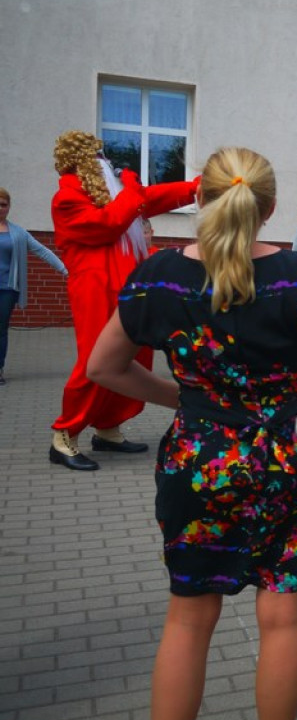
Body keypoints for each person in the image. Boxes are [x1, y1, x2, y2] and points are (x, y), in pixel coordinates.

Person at [86, 147, 297, 720]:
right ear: (269, 209)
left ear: (200, 198)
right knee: (282, 620)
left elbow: (104, 366)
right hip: (288, 462)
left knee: (187, 620)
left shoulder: (158, 277)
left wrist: (185, 399)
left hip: (196, 461)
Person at [48, 130, 199, 471]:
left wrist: (194, 188)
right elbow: (110, 223)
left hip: (124, 285)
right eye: (100, 156)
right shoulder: (68, 199)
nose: (108, 162)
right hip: (95, 289)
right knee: (96, 360)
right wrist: (131, 187)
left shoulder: (113, 194)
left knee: (135, 356)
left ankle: (108, 428)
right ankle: (65, 434)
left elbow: (148, 200)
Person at [0, 187, 68, 386]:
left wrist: (66, 270)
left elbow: (42, 251)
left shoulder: (18, 233)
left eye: (3, 204)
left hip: (7, 288)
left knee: (1, 329)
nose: (0, 208)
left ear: (9, 207)